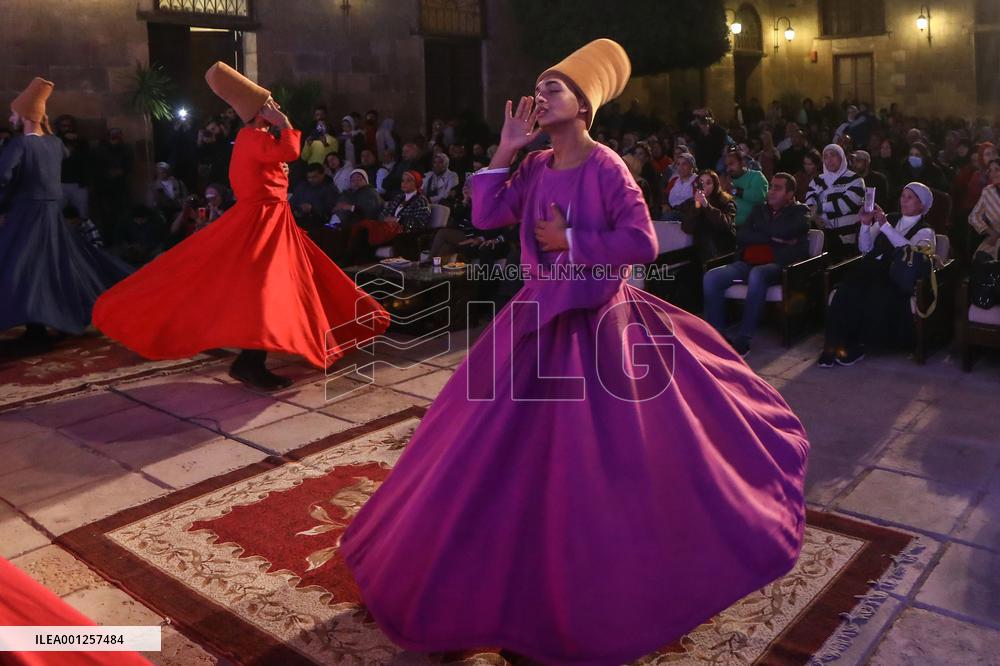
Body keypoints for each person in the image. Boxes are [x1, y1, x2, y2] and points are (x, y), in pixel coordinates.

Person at [340, 39, 808, 665]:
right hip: (536, 317)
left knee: (587, 472)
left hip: (597, 327)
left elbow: (641, 244)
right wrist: (505, 150)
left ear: (584, 105)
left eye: (554, 86)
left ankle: (576, 602)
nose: (542, 94)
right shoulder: (532, 166)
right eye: (539, 85)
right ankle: (494, 594)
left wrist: (572, 238)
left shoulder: (607, 166)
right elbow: (484, 216)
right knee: (496, 458)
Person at [93, 62, 389, 390]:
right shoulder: (251, 137)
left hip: (272, 221)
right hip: (261, 223)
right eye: (270, 104)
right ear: (259, 111)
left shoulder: (254, 137)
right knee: (264, 291)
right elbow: (292, 151)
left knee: (288, 285)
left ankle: (269, 354)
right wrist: (285, 122)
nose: (276, 107)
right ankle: (250, 362)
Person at [0, 78, 132, 349]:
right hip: (51, 215)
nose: (11, 117)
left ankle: (37, 328)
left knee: (21, 268)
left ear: (25, 115)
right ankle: (51, 321)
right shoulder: (55, 144)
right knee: (53, 266)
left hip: (27, 214)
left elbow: (3, 176)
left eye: (14, 112)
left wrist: (6, 200)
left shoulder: (20, 145)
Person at [819, 183, 938, 367]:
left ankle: (858, 346)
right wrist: (866, 225)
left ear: (921, 205)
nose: (903, 200)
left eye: (910, 197)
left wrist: (884, 225)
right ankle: (832, 345)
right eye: (903, 195)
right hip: (872, 269)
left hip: (896, 278)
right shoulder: (891, 218)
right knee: (845, 290)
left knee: (875, 295)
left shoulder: (925, 230)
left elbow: (911, 251)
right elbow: (865, 248)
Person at [703, 173, 812, 356]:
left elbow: (787, 230)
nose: (771, 191)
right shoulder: (759, 210)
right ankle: (717, 335)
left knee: (758, 274)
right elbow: (742, 235)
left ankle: (744, 339)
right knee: (712, 276)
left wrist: (762, 233)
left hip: (779, 265)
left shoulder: (801, 212)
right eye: (771, 186)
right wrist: (772, 237)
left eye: (778, 188)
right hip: (748, 260)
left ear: (790, 194)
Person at [805, 144, 865, 258]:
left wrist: (820, 208)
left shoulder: (855, 179)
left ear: (841, 157)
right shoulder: (817, 181)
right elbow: (810, 205)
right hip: (823, 235)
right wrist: (816, 217)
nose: (829, 160)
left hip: (847, 237)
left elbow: (846, 204)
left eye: (833, 155)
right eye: (826, 157)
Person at [678, 169, 736, 262]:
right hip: (699, 251)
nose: (704, 186)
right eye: (701, 183)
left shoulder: (726, 202)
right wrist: (697, 207)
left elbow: (725, 224)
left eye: (708, 183)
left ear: (715, 185)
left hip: (721, 249)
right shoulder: (691, 203)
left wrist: (706, 206)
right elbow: (687, 228)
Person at [723, 146, 769, 227]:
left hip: (752, 226)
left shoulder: (756, 176)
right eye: (726, 166)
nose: (728, 169)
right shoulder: (726, 180)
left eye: (731, 164)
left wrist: (734, 190)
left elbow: (759, 197)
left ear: (742, 163)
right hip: (728, 226)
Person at [291, 163, 339, 227]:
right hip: (297, 220)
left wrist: (312, 208)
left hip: (318, 224)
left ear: (322, 174)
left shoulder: (330, 189)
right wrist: (295, 210)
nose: (311, 180)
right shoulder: (302, 186)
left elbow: (330, 211)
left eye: (314, 177)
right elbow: (291, 202)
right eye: (309, 177)